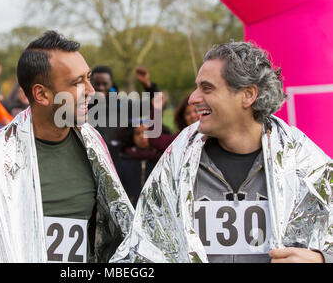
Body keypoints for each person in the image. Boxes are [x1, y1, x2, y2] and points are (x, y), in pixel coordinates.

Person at [0, 30, 134, 263]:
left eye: (88, 78)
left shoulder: (92, 147)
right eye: (77, 82)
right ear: (41, 94)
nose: (91, 91)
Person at [111, 41, 332, 263]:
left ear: (247, 95)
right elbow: (143, 251)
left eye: (206, 88)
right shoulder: (177, 161)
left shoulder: (304, 162)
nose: (192, 98)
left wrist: (321, 259)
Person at [115, 120, 162, 207]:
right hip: (131, 210)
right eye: (137, 133)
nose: (142, 136)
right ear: (132, 137)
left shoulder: (161, 160)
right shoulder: (124, 160)